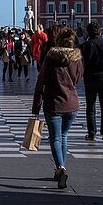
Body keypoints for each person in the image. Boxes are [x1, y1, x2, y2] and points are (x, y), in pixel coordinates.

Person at [33, 26, 84, 190]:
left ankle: (60, 168)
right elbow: (78, 77)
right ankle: (60, 168)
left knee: (55, 138)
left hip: (53, 103)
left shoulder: (51, 56)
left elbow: (41, 81)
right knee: (64, 135)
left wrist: (36, 106)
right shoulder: (76, 58)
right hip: (72, 104)